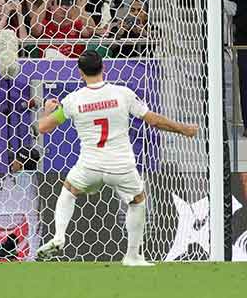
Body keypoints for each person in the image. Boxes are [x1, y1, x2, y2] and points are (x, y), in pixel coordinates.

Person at [36, 50, 197, 266]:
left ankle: (58, 236)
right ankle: (132, 255)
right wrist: (184, 128)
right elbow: (154, 121)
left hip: (89, 165)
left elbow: (43, 128)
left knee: (69, 190)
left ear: (80, 73)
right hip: (120, 165)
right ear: (104, 68)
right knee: (137, 201)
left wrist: (47, 111)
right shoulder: (123, 93)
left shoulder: (73, 100)